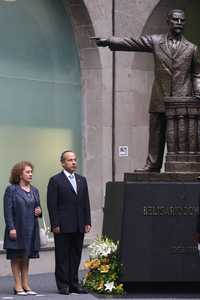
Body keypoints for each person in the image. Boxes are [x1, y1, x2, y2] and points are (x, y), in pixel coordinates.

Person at [94, 9, 200, 172]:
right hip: (160, 95)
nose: (179, 23)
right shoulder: (156, 41)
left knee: (181, 133)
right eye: (175, 20)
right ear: (168, 21)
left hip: (181, 98)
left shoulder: (192, 48)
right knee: (156, 131)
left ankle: (181, 167)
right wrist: (109, 41)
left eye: (182, 21)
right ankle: (153, 164)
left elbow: (196, 74)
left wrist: (197, 91)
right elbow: (132, 42)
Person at [47, 150, 91, 295]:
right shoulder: (55, 180)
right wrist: (55, 224)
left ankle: (74, 283)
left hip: (79, 225)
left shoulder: (81, 179)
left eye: (75, 160)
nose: (73, 162)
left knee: (76, 255)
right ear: (63, 162)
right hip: (63, 226)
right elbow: (52, 205)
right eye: (70, 160)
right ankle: (63, 285)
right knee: (62, 256)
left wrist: (87, 221)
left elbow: (86, 203)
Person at [3, 161, 42, 296]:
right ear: (20, 174)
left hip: (31, 228)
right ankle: (17, 285)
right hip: (17, 228)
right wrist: (11, 228)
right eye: (27, 172)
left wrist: (39, 211)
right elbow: (7, 211)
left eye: (31, 172)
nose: (31, 174)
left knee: (26, 257)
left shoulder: (35, 190)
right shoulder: (11, 190)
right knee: (16, 256)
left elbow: (38, 208)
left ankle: (26, 284)